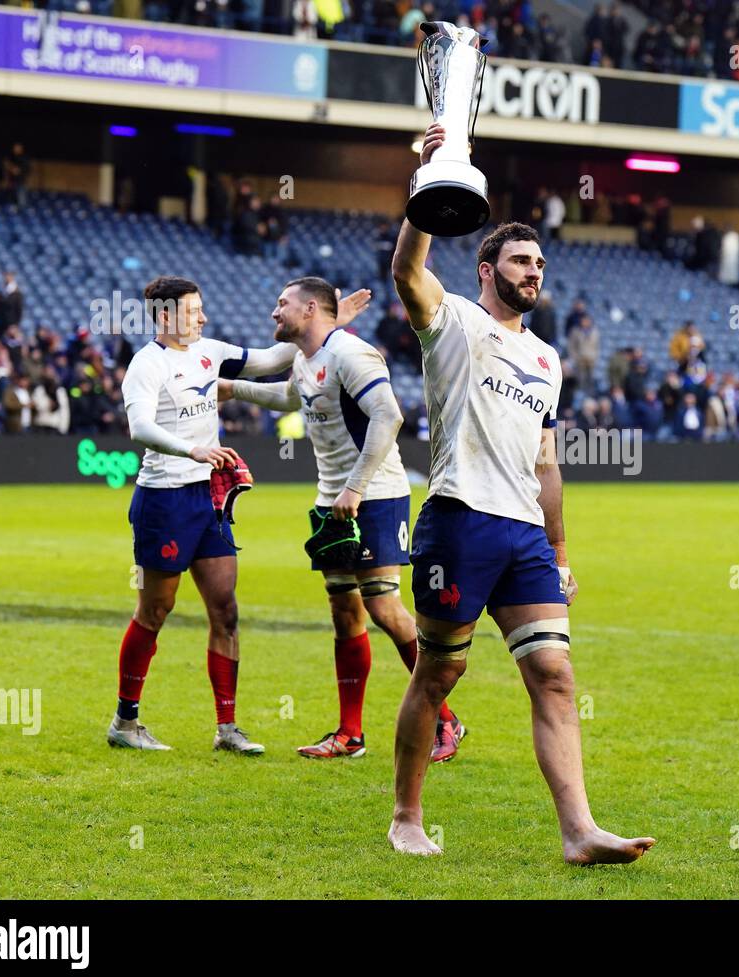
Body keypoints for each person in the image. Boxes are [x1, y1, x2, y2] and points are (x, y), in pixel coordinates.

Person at [386, 121, 654, 864]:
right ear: (485, 267)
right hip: (458, 520)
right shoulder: (456, 323)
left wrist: (560, 544)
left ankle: (578, 830)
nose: (534, 272)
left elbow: (546, 457)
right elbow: (408, 269)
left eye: (539, 262)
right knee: (440, 669)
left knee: (555, 672)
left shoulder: (547, 358)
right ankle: (406, 814)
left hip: (524, 537)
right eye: (520, 260)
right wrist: (427, 182)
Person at [220, 279, 466, 763]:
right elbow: (292, 397)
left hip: (374, 494)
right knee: (344, 613)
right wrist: (233, 390)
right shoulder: (306, 357)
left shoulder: (352, 354)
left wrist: (355, 487)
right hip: (331, 500)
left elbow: (388, 416)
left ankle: (447, 719)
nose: (274, 311)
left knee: (383, 608)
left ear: (310, 308)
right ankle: (350, 734)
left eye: (282, 303)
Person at [109, 275, 299, 754]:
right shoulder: (145, 365)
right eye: (195, 310)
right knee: (155, 610)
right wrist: (191, 449)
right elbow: (140, 427)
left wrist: (324, 326)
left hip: (208, 499)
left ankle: (227, 728)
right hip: (164, 500)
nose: (204, 317)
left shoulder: (210, 350)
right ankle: (125, 723)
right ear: (167, 315)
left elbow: (272, 360)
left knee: (226, 610)